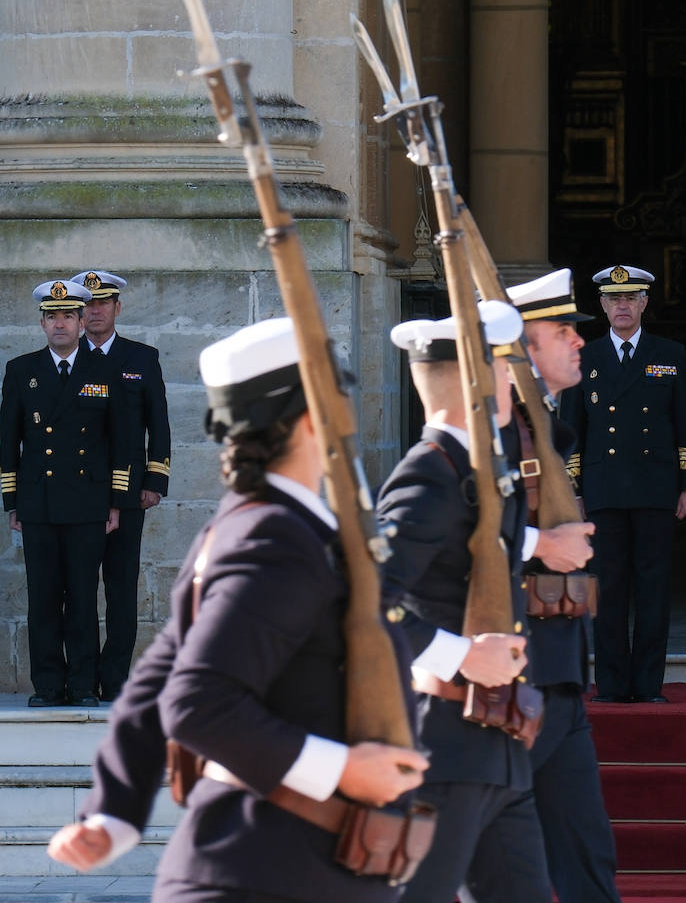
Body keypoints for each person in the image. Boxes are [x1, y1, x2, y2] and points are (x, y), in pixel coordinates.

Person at [50, 316, 429, 901]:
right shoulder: (274, 540)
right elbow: (198, 703)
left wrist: (115, 813)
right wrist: (343, 770)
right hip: (269, 872)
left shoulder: (264, 527)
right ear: (313, 418)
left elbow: (155, 682)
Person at [379, 306, 553, 903]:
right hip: (446, 747)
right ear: (473, 383)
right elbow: (366, 600)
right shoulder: (429, 474)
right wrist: (459, 657)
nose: (512, 382)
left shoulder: (478, 470)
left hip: (497, 741)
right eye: (502, 370)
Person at [464, 267, 621, 903]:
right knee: (482, 850)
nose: (580, 342)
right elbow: (462, 533)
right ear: (523, 350)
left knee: (586, 856)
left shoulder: (541, 428)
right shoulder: (495, 434)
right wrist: (539, 544)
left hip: (558, 672)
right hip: (519, 678)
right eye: (564, 332)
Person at [559, 265, 686, 704]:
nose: (622, 305)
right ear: (602, 305)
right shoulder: (585, 357)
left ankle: (647, 685)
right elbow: (570, 431)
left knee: (654, 588)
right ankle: (613, 684)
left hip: (657, 487)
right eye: (613, 299)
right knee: (608, 588)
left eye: (631, 298)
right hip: (603, 490)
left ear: (644, 303)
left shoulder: (670, 353)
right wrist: (574, 490)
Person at [0, 279, 138, 708]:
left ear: (81, 323)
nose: (58, 324)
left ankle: (81, 686)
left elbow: (123, 440)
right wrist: (12, 501)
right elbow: (8, 439)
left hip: (88, 502)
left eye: (67, 316)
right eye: (51, 317)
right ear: (41, 324)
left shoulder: (105, 371)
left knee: (82, 595)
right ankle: (47, 686)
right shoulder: (22, 371)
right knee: (42, 596)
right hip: (38, 501)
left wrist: (116, 500)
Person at [77, 270, 171, 702]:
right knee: (75, 590)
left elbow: (159, 426)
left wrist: (155, 480)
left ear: (118, 308)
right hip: (75, 495)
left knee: (120, 589)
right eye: (88, 305)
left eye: (103, 303)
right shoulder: (65, 358)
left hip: (129, 492)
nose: (95, 310)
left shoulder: (141, 358)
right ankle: (79, 679)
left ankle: (114, 679)